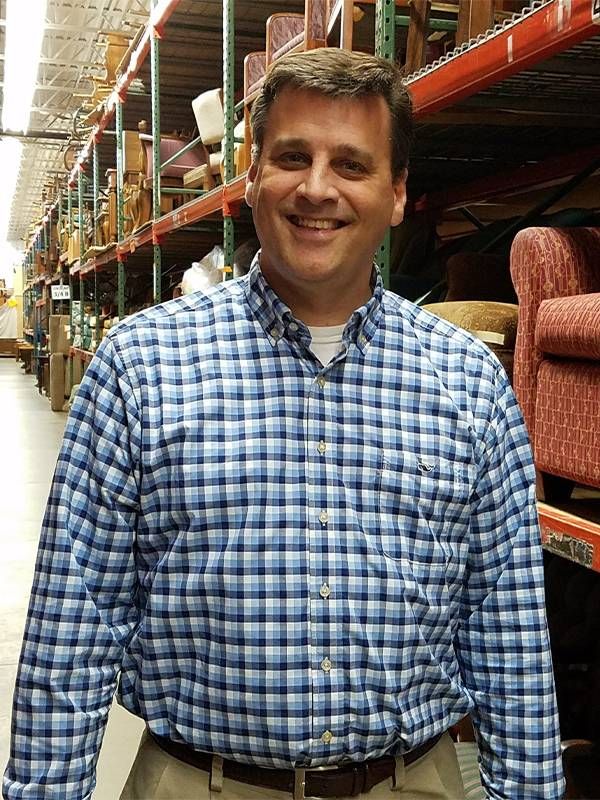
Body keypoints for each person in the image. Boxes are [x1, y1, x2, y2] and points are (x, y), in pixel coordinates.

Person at [3, 48, 564, 800]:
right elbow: (72, 628)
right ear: (249, 176)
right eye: (292, 156)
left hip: (412, 780)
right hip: (195, 781)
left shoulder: (468, 382)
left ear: (398, 193)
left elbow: (510, 635)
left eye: (353, 165)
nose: (317, 188)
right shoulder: (140, 366)